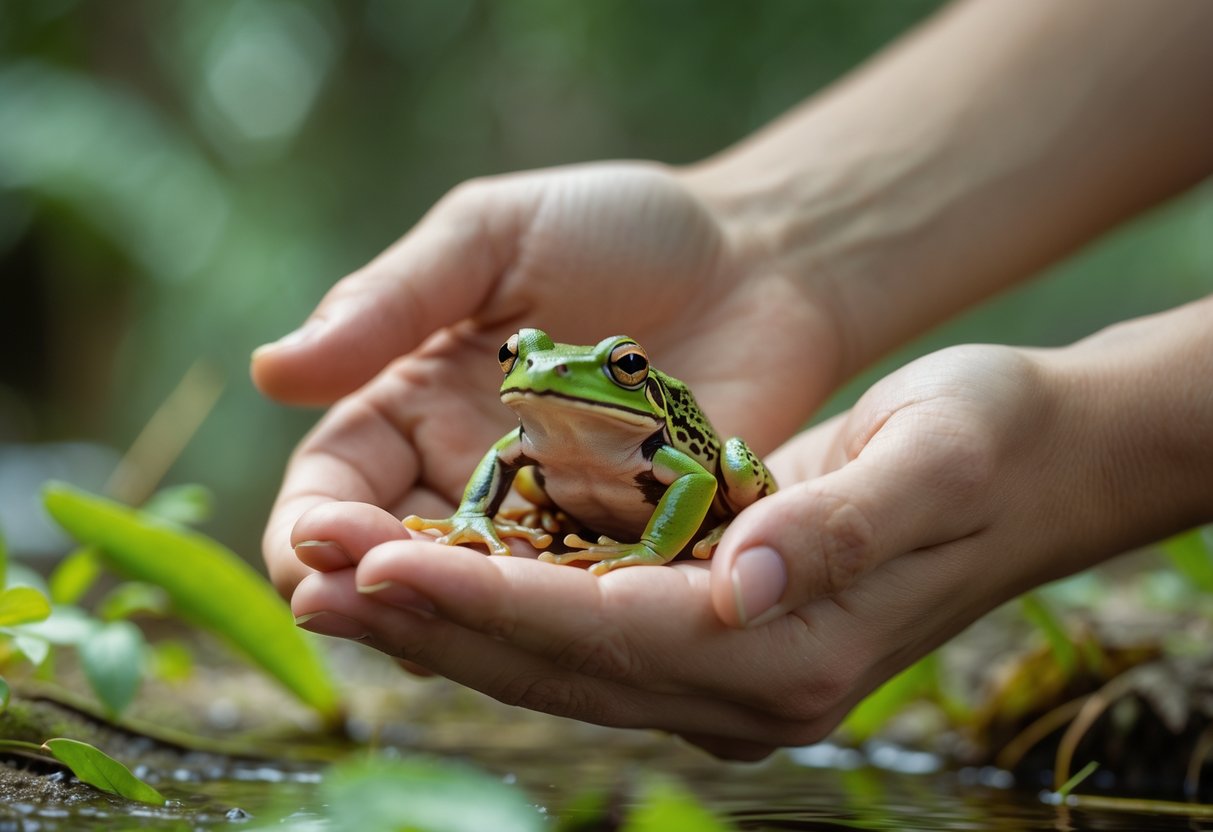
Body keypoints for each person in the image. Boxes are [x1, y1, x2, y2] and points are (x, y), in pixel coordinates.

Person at [250, 0, 1213, 760]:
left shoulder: (668, 448)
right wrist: (765, 237)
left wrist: (1089, 440)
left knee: (743, 477)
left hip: (694, 497)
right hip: (583, 499)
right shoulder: (517, 443)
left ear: (638, 382)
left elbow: (707, 480)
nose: (537, 373)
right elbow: (497, 468)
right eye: (518, 360)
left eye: (620, 367)